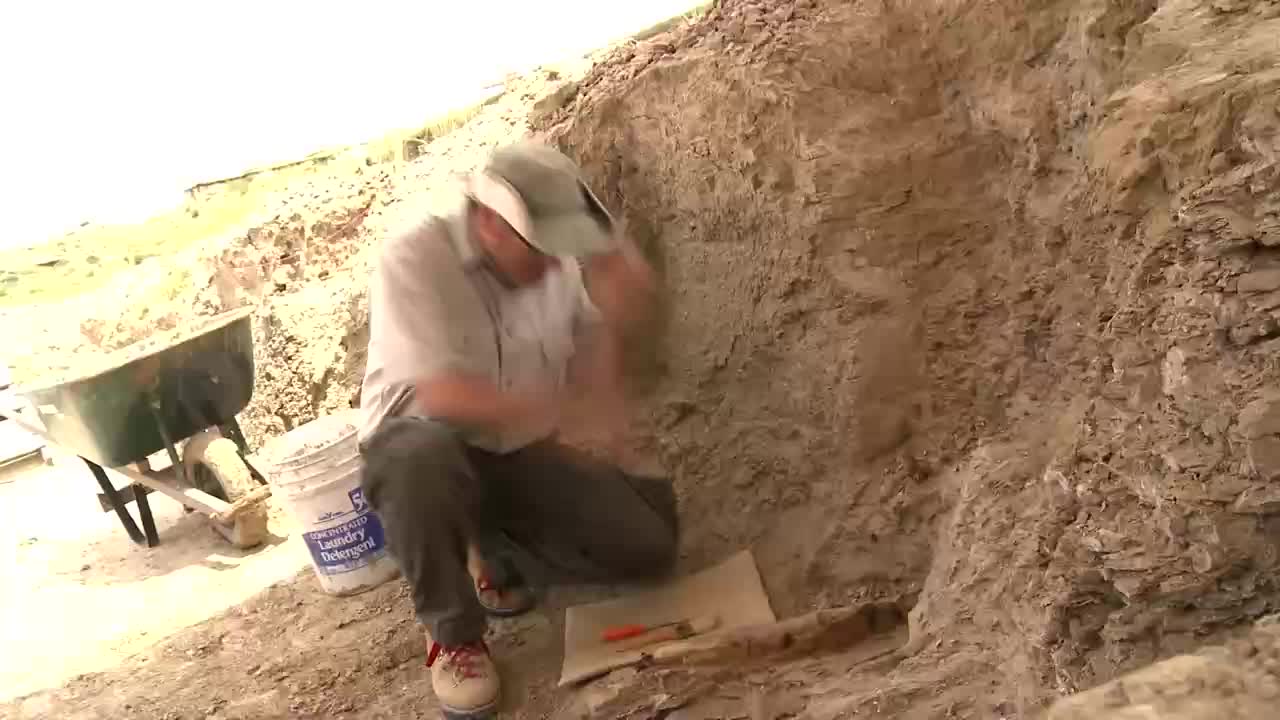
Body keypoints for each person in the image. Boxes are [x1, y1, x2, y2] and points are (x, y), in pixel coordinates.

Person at [358, 140, 679, 718]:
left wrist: (609, 419)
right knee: (418, 456)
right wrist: (566, 414)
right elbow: (443, 395)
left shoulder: (551, 257)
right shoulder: (414, 256)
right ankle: (454, 635)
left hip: (515, 449)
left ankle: (492, 550)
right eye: (543, 253)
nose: (556, 266)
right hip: (427, 456)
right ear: (490, 224)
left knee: (649, 543)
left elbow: (589, 335)